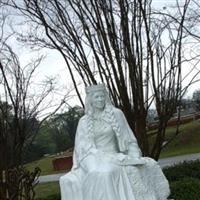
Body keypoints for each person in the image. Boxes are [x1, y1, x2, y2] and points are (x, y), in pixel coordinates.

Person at [60, 84, 170, 200]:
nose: (100, 99)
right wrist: (101, 157)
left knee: (109, 172)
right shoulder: (83, 121)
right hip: (92, 156)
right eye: (97, 97)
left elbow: (128, 138)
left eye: (102, 96)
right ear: (90, 100)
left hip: (115, 155)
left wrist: (134, 155)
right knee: (101, 173)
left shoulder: (116, 114)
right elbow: (82, 148)